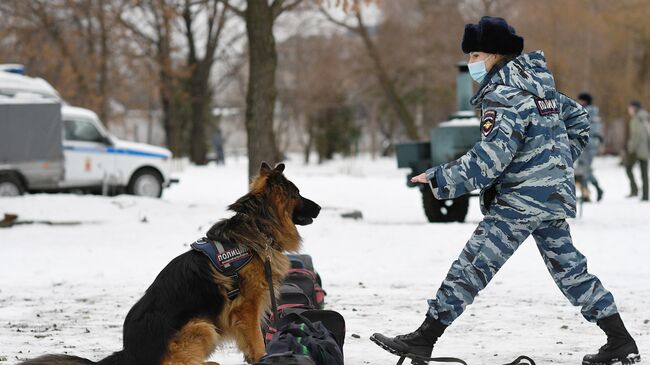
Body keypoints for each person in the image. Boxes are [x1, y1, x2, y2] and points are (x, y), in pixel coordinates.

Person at [371, 16, 640, 365]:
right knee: (570, 270)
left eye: (475, 55)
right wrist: (555, 165)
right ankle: (619, 339)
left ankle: (424, 339)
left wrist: (440, 178)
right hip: (550, 196)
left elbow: (491, 158)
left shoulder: (504, 95)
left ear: (496, 55)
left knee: (473, 264)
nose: (471, 63)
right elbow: (579, 120)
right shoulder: (541, 89)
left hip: (521, 201)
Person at [575, 93, 604, 202]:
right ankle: (596, 189)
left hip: (588, 144)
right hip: (587, 143)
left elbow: (588, 129)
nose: (578, 102)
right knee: (585, 169)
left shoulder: (587, 112)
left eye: (580, 100)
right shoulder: (591, 111)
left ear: (585, 101)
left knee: (584, 170)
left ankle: (586, 194)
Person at [624, 100, 649, 201]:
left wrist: (630, 148)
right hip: (646, 149)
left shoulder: (637, 119)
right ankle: (645, 195)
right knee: (644, 173)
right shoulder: (645, 116)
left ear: (634, 108)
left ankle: (634, 190)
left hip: (637, 149)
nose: (628, 110)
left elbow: (636, 136)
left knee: (628, 167)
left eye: (629, 107)